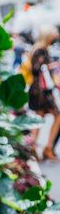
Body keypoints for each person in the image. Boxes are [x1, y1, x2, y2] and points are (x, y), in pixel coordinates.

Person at [32, 27, 60, 160]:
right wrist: (51, 66)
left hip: (40, 90)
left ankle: (35, 149)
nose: (56, 35)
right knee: (52, 115)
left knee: (39, 118)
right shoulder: (41, 50)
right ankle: (45, 148)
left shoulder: (40, 49)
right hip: (41, 91)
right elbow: (37, 68)